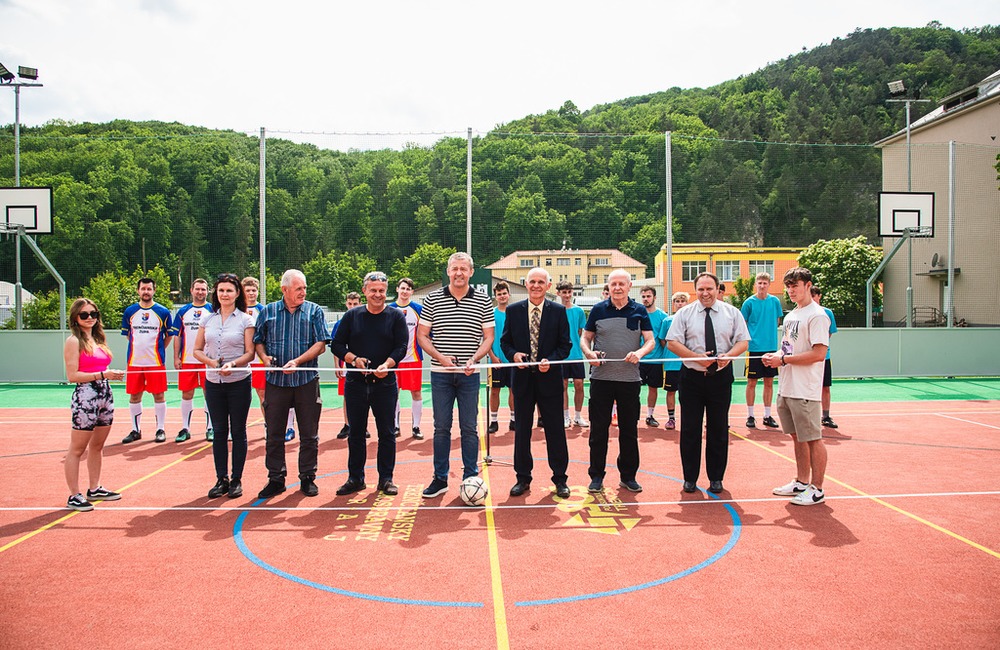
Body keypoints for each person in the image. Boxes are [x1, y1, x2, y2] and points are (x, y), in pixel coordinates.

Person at [416, 252, 495, 498]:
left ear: (471, 272)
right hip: (440, 374)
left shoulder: (483, 300)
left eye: (463, 268)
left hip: (470, 374)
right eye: (454, 268)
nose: (459, 272)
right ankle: (440, 478)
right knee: (441, 427)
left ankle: (470, 475)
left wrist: (474, 359)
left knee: (470, 427)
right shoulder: (432, 299)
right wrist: (441, 359)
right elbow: (422, 336)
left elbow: (488, 337)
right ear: (448, 272)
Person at [666, 272, 750, 494]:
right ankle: (690, 478)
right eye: (701, 289)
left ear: (717, 289)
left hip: (720, 379)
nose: (705, 293)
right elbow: (672, 342)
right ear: (696, 290)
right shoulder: (684, 314)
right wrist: (696, 358)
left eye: (709, 289)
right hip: (692, 379)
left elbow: (743, 340)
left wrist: (729, 355)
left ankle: (716, 478)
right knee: (690, 430)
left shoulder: (732, 313)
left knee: (719, 429)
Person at [253, 269, 330, 499]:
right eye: (298, 289)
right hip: (276, 382)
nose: (303, 292)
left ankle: (307, 477)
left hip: (306, 381)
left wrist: (298, 361)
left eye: (304, 288)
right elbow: (258, 341)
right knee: (274, 434)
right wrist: (265, 358)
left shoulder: (314, 311)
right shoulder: (267, 312)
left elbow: (321, 344)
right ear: (284, 289)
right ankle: (276, 478)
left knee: (309, 434)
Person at [330, 271, 409, 496]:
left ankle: (386, 479)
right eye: (373, 290)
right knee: (355, 433)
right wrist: (353, 360)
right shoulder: (352, 316)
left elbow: (401, 347)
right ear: (364, 291)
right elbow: (336, 345)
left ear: (387, 292)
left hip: (385, 385)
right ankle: (356, 478)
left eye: (381, 291)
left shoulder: (396, 316)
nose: (377, 295)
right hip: (355, 383)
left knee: (387, 433)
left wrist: (388, 364)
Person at [580, 269, 655, 493]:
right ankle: (596, 476)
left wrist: (640, 353)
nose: (617, 288)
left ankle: (628, 476)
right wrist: (589, 354)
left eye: (622, 284)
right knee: (598, 430)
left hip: (629, 380)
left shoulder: (639, 310)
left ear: (629, 286)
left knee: (629, 430)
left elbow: (650, 340)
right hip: (601, 379)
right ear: (609, 286)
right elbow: (585, 338)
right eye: (613, 284)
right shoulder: (598, 309)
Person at [501, 268, 572, 498]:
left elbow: (565, 345)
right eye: (532, 281)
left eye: (541, 282)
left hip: (549, 379)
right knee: (522, 430)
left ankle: (560, 479)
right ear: (526, 284)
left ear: (548, 286)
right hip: (522, 380)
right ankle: (522, 478)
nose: (536, 285)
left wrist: (550, 361)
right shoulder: (513, 311)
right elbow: (505, 342)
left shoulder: (559, 311)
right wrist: (514, 356)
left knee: (555, 430)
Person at [763, 268, 831, 506]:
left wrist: (783, 360)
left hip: (806, 389)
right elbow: (789, 348)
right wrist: (778, 355)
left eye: (795, 285)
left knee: (813, 438)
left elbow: (819, 353)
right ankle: (802, 482)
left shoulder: (818, 316)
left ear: (808, 285)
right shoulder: (792, 315)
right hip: (787, 386)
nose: (791, 290)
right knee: (796, 437)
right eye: (788, 286)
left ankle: (818, 488)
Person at [193, 274, 256, 499]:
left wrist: (233, 363)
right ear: (216, 293)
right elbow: (197, 350)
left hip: (238, 382)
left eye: (229, 290)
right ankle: (221, 479)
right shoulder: (207, 319)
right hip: (213, 382)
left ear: (237, 293)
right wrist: (211, 362)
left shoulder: (245, 320)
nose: (224, 294)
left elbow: (250, 353)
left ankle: (236, 479)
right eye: (221, 290)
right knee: (219, 431)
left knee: (238, 431)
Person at [64, 298, 126, 511]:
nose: (89, 318)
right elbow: (72, 375)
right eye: (84, 315)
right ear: (75, 318)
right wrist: (103, 374)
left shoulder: (98, 339)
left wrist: (110, 374)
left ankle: (95, 487)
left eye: (93, 314)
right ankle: (74, 495)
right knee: (77, 448)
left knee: (98, 445)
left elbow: (100, 367)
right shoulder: (73, 341)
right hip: (86, 396)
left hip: (104, 394)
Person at [120, 277, 172, 444]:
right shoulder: (130, 311)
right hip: (135, 362)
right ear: (138, 291)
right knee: (135, 396)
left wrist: (159, 349)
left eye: (149, 289)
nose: (146, 292)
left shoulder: (163, 312)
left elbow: (169, 335)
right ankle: (136, 430)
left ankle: (160, 429)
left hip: (156, 362)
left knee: (159, 395)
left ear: (154, 291)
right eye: (143, 289)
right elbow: (128, 335)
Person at [244, 276, 295, 440]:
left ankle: (276, 426)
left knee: (264, 394)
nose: (251, 293)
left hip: (260, 360)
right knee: (243, 395)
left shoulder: (264, 310)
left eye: (254, 290)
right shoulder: (237, 311)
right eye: (248, 290)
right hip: (243, 360)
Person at [171, 278, 214, 442]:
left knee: (208, 393)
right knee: (187, 394)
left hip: (207, 361)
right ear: (191, 290)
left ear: (208, 291)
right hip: (188, 360)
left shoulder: (213, 310)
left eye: (203, 289)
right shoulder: (183, 311)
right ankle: (185, 428)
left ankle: (210, 428)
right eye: (197, 289)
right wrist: (176, 357)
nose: (200, 292)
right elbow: (177, 336)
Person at [741, 272, 783, 429]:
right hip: (754, 348)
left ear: (769, 284)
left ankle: (767, 415)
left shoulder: (775, 301)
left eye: (765, 283)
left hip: (771, 347)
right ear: (755, 284)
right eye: (759, 282)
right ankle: (750, 415)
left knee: (769, 382)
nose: (762, 285)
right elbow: (742, 323)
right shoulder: (749, 303)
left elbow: (777, 320)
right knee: (751, 382)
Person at [389, 277, 425, 439]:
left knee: (416, 392)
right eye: (402, 288)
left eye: (408, 289)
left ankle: (416, 426)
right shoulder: (388, 309)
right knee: (393, 393)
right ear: (397, 289)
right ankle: (395, 426)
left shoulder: (419, 309)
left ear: (412, 292)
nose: (405, 291)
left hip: (413, 359)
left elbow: (426, 333)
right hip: (393, 360)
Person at [556, 280, 588, 428]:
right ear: (558, 293)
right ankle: (564, 416)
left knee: (579, 384)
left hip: (575, 354)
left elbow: (580, 333)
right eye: (564, 292)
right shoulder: (555, 311)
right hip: (561, 356)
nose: (567, 295)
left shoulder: (579, 311)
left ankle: (578, 416)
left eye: (569, 292)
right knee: (562, 386)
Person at [332, 291, 363, 440]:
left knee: (364, 395)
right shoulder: (341, 322)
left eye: (355, 304)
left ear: (360, 303)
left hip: (362, 364)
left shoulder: (364, 319)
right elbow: (336, 346)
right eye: (349, 304)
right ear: (346, 304)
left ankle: (362, 426)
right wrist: (337, 365)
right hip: (346, 364)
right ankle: (347, 424)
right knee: (347, 395)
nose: (352, 306)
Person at [657, 291, 689, 430]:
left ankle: (689, 419)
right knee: (671, 392)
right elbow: (663, 339)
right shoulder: (667, 321)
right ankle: (671, 419)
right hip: (671, 364)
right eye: (677, 301)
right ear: (674, 304)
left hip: (688, 364)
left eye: (682, 301)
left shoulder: (692, 319)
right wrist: (673, 351)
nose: (680, 303)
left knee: (689, 393)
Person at [487, 281, 515, 434]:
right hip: (495, 360)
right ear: (496, 296)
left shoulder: (515, 312)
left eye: (504, 293)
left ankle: (513, 420)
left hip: (512, 361)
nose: (502, 296)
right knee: (495, 391)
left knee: (513, 391)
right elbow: (487, 337)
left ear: (508, 294)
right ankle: (494, 421)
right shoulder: (491, 313)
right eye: (499, 294)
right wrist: (492, 355)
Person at [639, 286, 667, 428]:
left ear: (654, 298)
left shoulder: (663, 317)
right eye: (643, 296)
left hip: (656, 360)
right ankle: (632, 416)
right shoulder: (637, 314)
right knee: (633, 389)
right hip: (638, 359)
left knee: (653, 388)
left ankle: (650, 416)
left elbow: (664, 340)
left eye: (648, 296)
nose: (645, 299)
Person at [811, 285, 839, 429]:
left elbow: (828, 334)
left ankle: (826, 415)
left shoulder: (827, 313)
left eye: (815, 296)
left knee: (825, 387)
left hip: (824, 357)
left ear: (819, 296)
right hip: (809, 359)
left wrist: (819, 347)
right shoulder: (804, 313)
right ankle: (811, 416)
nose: (813, 299)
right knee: (809, 387)